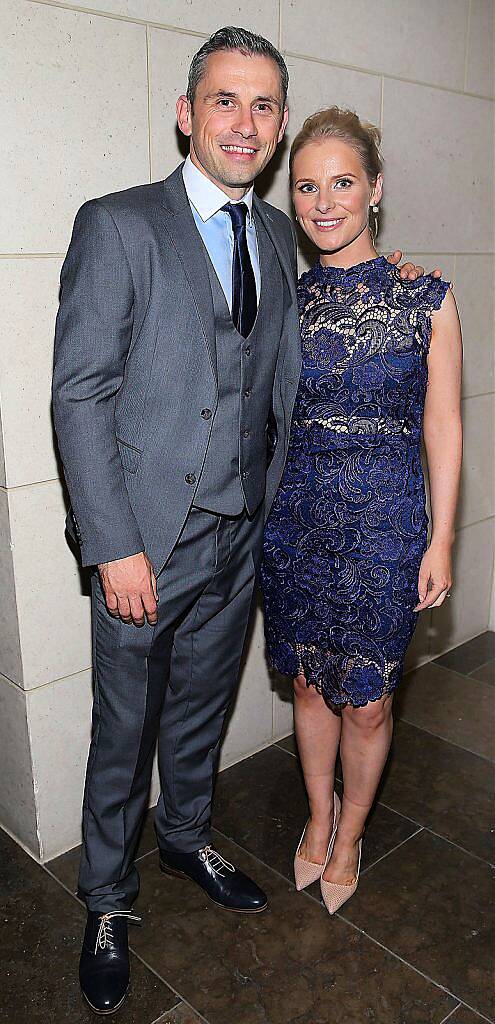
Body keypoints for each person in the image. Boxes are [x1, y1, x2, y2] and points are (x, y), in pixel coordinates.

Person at [52, 26, 435, 1014]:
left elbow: (319, 363)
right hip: (144, 544)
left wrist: (393, 293)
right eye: (226, 99)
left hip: (243, 541)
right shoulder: (119, 225)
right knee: (120, 728)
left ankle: (184, 838)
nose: (246, 122)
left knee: (196, 715)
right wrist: (113, 544)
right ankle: (105, 896)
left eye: (265, 104)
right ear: (187, 113)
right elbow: (80, 397)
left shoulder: (278, 237)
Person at [261, 107, 462, 916]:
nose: (322, 201)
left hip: (385, 521)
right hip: (296, 518)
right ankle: (316, 817)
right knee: (310, 685)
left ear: (374, 189)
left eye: (341, 181)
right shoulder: (285, 300)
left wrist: (440, 537)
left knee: (370, 697)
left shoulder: (427, 298)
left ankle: (349, 839)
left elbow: (442, 425)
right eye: (306, 185)